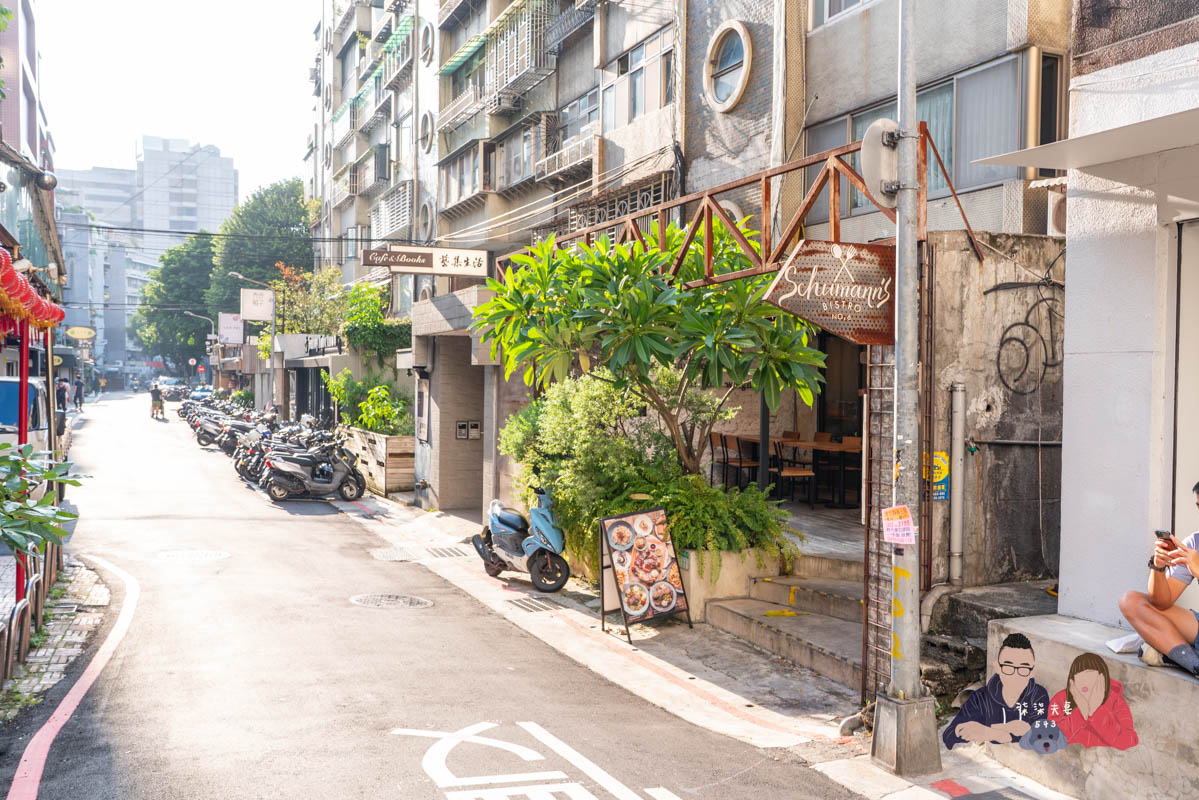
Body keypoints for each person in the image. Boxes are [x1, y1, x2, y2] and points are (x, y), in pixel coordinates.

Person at [1118, 481, 1199, 676]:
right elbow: (1161, 603)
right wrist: (1158, 566)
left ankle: (1171, 656)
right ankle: (1194, 664)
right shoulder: (1195, 543)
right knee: (1131, 601)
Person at [943, 632, 1049, 749]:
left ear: (1033, 671)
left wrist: (992, 732)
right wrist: (962, 729)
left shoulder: (1038, 696)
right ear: (997, 668)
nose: (1015, 675)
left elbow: (1040, 736)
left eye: (1024, 668)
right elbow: (948, 736)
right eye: (1008, 667)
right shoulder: (980, 698)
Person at [1047, 652, 1138, 750]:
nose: (1083, 680)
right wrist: (1080, 713)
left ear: (1102, 678)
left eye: (1089, 674)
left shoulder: (1116, 701)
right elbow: (1050, 739)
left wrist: (1097, 711)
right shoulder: (1061, 699)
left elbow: (1128, 741)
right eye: (1078, 675)